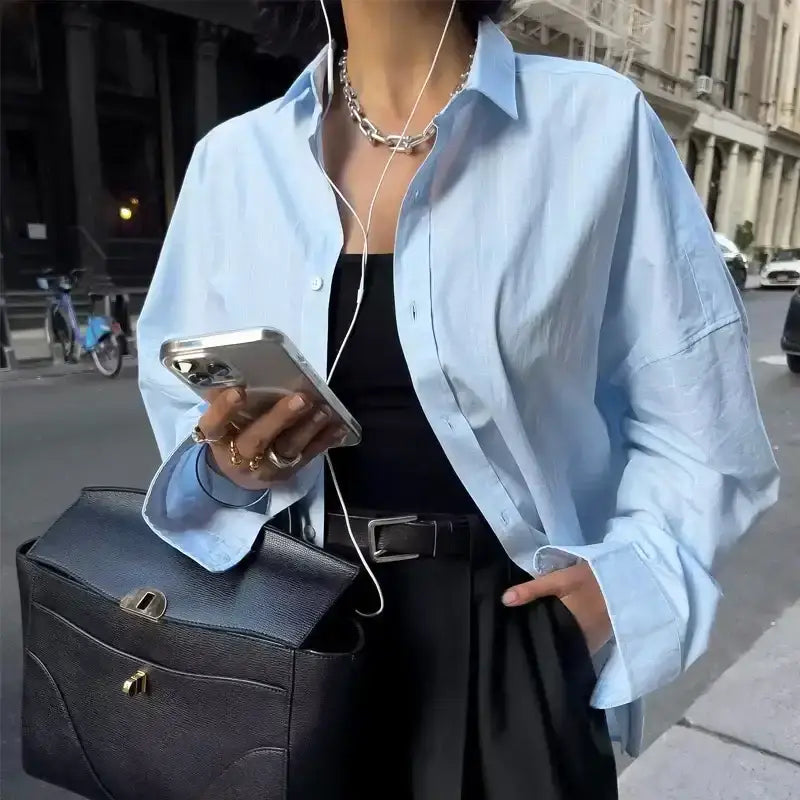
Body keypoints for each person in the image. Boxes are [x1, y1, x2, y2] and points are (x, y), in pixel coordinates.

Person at [137, 1, 779, 798]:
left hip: (509, 638)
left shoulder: (595, 126)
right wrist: (227, 466)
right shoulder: (233, 163)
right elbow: (181, 409)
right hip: (281, 645)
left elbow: (700, 423)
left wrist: (618, 593)